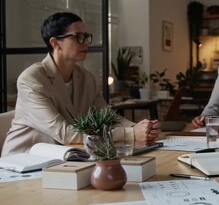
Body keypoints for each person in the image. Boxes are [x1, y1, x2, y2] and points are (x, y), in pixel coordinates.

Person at [1, 12, 160, 156]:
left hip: (64, 159)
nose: (85, 42)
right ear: (56, 43)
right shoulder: (32, 79)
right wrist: (129, 133)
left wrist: (141, 128)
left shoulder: (86, 78)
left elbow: (108, 117)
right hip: (23, 163)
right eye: (78, 36)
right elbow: (65, 134)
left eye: (86, 36)